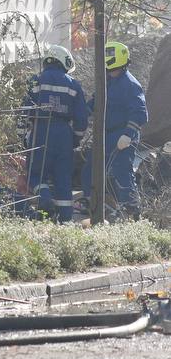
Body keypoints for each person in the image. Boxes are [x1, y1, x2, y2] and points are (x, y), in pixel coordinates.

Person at [19, 45, 87, 223]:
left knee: (35, 174)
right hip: (64, 134)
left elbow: (24, 111)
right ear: (64, 61)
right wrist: (75, 139)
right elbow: (81, 118)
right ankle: (65, 221)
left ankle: (45, 198)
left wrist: (21, 136)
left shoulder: (36, 81)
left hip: (41, 131)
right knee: (63, 177)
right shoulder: (73, 85)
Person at [81, 41, 148, 220]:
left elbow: (140, 112)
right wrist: (81, 112)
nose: (112, 72)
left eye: (114, 69)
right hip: (105, 135)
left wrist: (128, 134)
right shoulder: (107, 81)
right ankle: (92, 201)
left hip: (122, 134)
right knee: (91, 167)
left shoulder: (130, 84)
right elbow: (96, 102)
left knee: (122, 171)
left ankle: (132, 209)